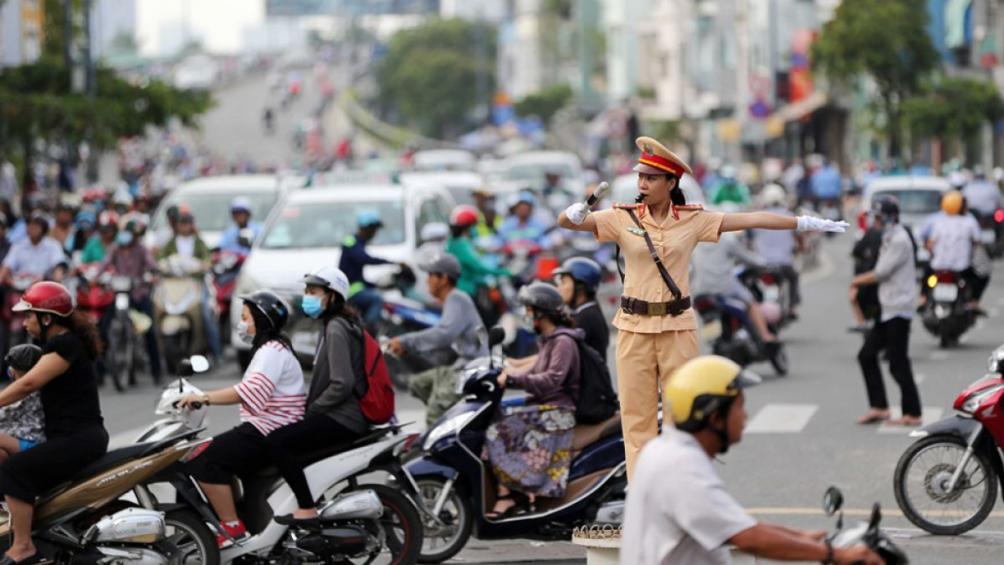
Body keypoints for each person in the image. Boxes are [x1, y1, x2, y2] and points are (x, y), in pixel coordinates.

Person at [559, 135, 847, 479]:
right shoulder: (623, 218)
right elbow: (570, 223)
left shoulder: (692, 220)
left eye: (651, 178)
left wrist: (802, 223)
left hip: (678, 328)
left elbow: (750, 218)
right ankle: (642, 500)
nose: (643, 184)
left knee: (685, 414)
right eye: (641, 177)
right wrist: (572, 213)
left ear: (671, 183)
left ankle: (682, 489)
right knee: (637, 422)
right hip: (634, 328)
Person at [622, 355, 882, 565]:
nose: (745, 416)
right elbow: (748, 537)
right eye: (739, 407)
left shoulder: (666, 451)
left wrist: (800, 536)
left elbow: (733, 523)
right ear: (714, 418)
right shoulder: (680, 469)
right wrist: (837, 555)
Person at [178, 290, 305, 546]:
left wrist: (205, 397)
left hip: (270, 430)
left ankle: (232, 527)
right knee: (219, 457)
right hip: (266, 426)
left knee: (202, 458)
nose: (242, 323)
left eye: (246, 317)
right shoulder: (269, 349)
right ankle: (236, 517)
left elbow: (250, 391)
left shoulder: (271, 351)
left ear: (261, 319)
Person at [0, 282, 108, 564]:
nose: (23, 322)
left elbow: (29, 384)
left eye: (28, 316)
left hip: (77, 439)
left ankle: (23, 545)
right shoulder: (56, 345)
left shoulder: (65, 345)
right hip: (72, 437)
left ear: (46, 318)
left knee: (13, 471)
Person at [262, 266, 370, 523]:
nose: (307, 296)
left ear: (332, 295)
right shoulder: (339, 324)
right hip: (344, 415)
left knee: (276, 442)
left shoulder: (336, 328)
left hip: (343, 418)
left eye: (313, 291)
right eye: (306, 291)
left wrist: (312, 410)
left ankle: (307, 506)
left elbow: (342, 383)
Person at [482, 282, 582, 518]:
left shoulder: (563, 342)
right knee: (496, 417)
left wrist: (514, 381)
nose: (526, 316)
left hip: (558, 412)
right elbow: (533, 370)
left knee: (496, 432)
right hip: (544, 406)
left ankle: (507, 496)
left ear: (541, 313)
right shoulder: (549, 340)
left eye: (528, 311)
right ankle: (518, 489)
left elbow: (551, 380)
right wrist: (507, 373)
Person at [388, 254, 488, 426]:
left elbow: (444, 333)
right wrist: (408, 351)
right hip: (462, 366)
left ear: (444, 279)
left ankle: (439, 438)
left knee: (435, 411)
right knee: (418, 384)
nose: (427, 281)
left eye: (431, 275)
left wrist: (405, 341)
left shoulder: (457, 298)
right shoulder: (453, 300)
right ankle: (450, 419)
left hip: (473, 369)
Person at [850, 197, 922, 427]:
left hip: (899, 308)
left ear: (891, 217)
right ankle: (879, 407)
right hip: (888, 307)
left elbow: (880, 272)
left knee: (898, 361)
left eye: (879, 216)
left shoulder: (899, 239)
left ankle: (913, 412)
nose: (875, 220)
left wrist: (855, 282)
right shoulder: (888, 237)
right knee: (866, 355)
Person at [692, 209, 778, 346]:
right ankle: (765, 335)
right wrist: (762, 264)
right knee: (751, 302)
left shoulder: (694, 241)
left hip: (700, 291)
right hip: (723, 286)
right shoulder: (726, 238)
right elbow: (746, 257)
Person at [98, 219, 163, 384]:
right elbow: (104, 264)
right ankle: (99, 373)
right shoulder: (115, 248)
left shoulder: (141, 250)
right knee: (103, 328)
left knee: (148, 331)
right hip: (120, 294)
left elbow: (152, 266)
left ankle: (157, 371)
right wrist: (96, 277)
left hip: (138, 294)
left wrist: (153, 276)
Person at [157, 209, 223, 361]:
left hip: (196, 284)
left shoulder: (199, 242)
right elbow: (160, 258)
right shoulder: (171, 243)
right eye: (182, 223)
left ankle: (216, 352)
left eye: (188, 223)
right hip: (174, 285)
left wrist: (205, 264)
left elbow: (208, 258)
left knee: (207, 314)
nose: (185, 226)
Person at [925, 190, 984, 310]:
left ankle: (922, 299)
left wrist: (933, 255)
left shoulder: (938, 221)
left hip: (938, 266)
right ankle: (974, 302)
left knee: (926, 274)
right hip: (962, 267)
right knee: (982, 276)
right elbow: (978, 242)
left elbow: (930, 244)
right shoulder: (969, 221)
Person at [751, 183, 802, 318]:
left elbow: (749, 240)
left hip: (762, 264)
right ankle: (792, 307)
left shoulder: (757, 216)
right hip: (784, 264)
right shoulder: (789, 216)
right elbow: (798, 238)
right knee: (794, 277)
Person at [339, 210, 395, 330]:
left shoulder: (360, 243)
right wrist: (391, 262)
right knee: (377, 299)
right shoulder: (350, 241)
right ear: (366, 228)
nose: (375, 233)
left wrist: (377, 285)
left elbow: (359, 277)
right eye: (373, 229)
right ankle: (368, 332)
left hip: (357, 288)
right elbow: (363, 258)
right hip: (350, 291)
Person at [445, 204, 509, 308]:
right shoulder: (461, 245)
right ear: (469, 226)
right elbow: (478, 267)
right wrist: (502, 272)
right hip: (465, 290)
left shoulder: (455, 242)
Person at [553, 257, 609, 360]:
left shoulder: (587, 317)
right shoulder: (585, 311)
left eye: (564, 282)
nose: (559, 288)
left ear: (580, 286)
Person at [0, 344, 45, 463]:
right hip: (26, 441)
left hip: (31, 443)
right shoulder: (41, 387)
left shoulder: (22, 391)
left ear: (13, 371)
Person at [0, 213, 67, 284]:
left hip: (44, 284)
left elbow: (58, 265)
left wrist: (56, 281)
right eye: (30, 224)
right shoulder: (18, 245)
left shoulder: (53, 245)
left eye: (36, 225)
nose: (32, 228)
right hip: (20, 285)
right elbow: (7, 265)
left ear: (44, 228)